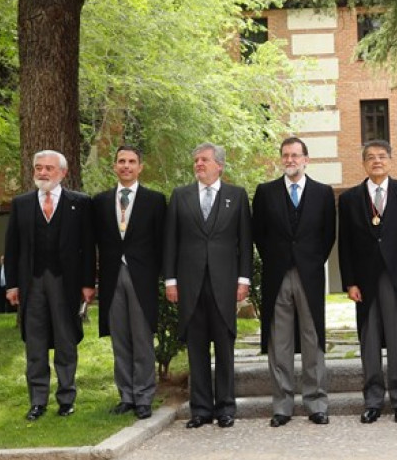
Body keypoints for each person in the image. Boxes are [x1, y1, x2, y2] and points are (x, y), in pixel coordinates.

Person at [163, 142, 253, 429]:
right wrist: (171, 280)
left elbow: (245, 242)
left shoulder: (236, 196)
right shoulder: (180, 196)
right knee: (196, 347)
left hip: (225, 284)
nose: (198, 164)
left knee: (224, 347)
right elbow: (171, 242)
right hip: (189, 285)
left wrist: (244, 279)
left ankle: (226, 407)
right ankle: (200, 409)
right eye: (196, 160)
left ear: (220, 165)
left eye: (204, 160)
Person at [3, 150, 96, 421]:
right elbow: (12, 248)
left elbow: (88, 248)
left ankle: (66, 398)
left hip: (65, 283)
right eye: (38, 168)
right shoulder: (21, 204)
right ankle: (37, 401)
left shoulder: (79, 203)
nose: (42, 173)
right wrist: (12, 284)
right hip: (32, 282)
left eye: (49, 169)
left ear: (62, 173)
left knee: (66, 341)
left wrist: (88, 283)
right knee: (35, 343)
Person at [338, 140, 397, 424]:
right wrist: (349, 281)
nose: (377, 161)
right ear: (364, 163)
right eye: (371, 157)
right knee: (370, 340)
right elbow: (346, 244)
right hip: (365, 280)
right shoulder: (350, 199)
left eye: (382, 156)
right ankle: (373, 400)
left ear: (390, 160)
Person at [253, 137, 336, 427]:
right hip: (277, 275)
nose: (290, 160)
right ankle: (282, 406)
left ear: (306, 159)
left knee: (313, 340)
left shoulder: (323, 193)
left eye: (295, 155)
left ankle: (316, 403)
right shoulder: (265, 193)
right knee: (280, 342)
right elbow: (259, 235)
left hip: (310, 275)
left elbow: (328, 235)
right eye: (285, 155)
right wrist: (278, 258)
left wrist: (309, 260)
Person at [92, 145, 167, 420]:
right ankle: (126, 396)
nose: (126, 165)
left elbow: (163, 242)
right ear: (115, 166)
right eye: (121, 161)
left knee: (142, 339)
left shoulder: (155, 200)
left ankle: (145, 396)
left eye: (132, 161)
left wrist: (162, 275)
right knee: (120, 339)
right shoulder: (99, 202)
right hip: (112, 278)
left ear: (140, 167)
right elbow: (93, 244)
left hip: (142, 278)